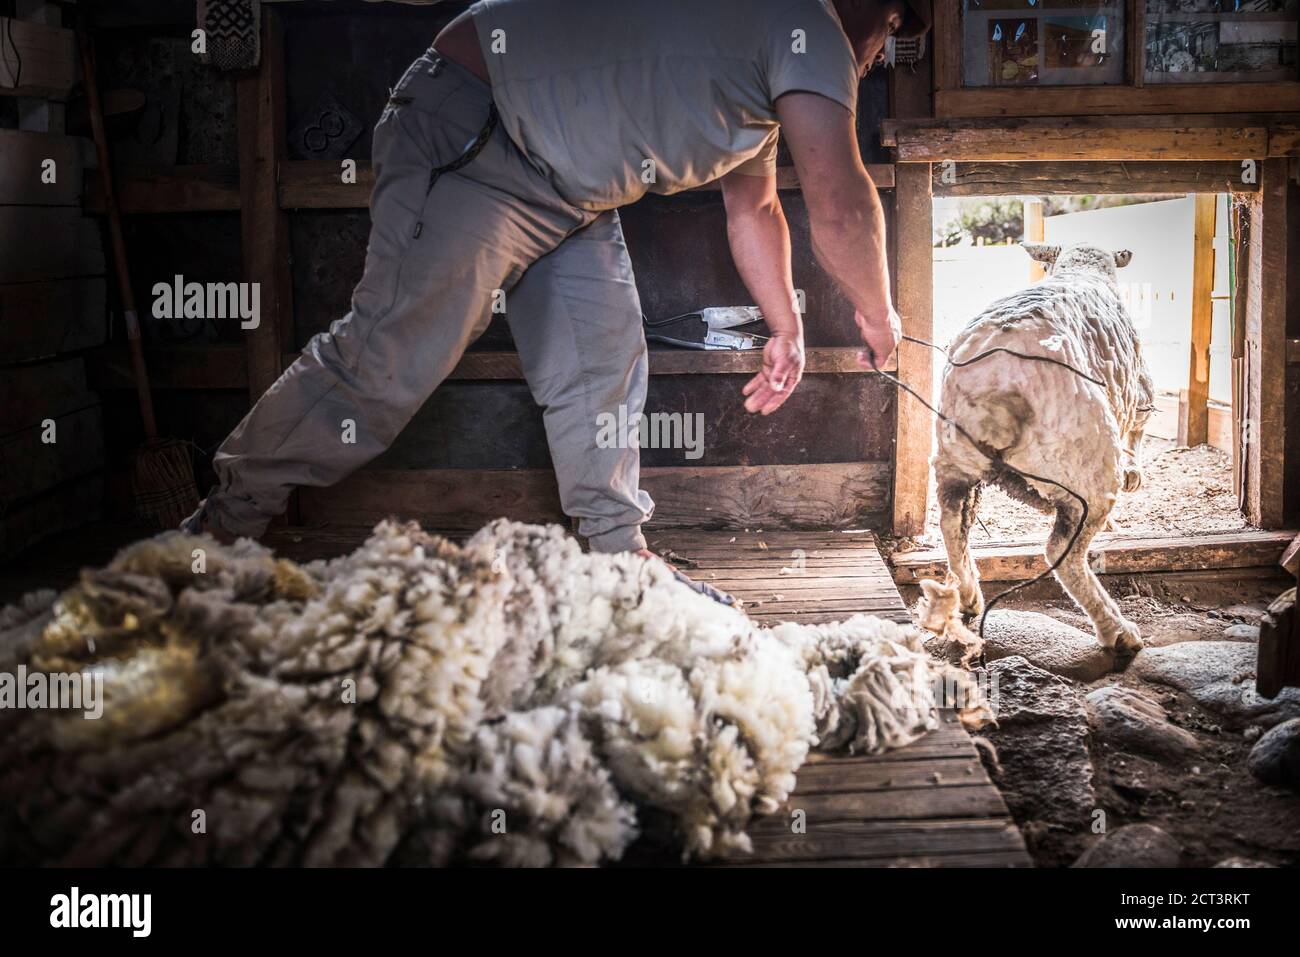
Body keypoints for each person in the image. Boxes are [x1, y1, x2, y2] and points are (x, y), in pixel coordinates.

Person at [184, 0, 930, 598]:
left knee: (604, 357)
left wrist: (787, 325)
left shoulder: (770, 69)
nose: (882, 49)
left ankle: (615, 560)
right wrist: (877, 310)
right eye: (894, 23)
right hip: (481, 127)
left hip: (568, 190)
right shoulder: (811, 27)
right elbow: (841, 202)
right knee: (384, 361)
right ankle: (218, 528)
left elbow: (757, 210)